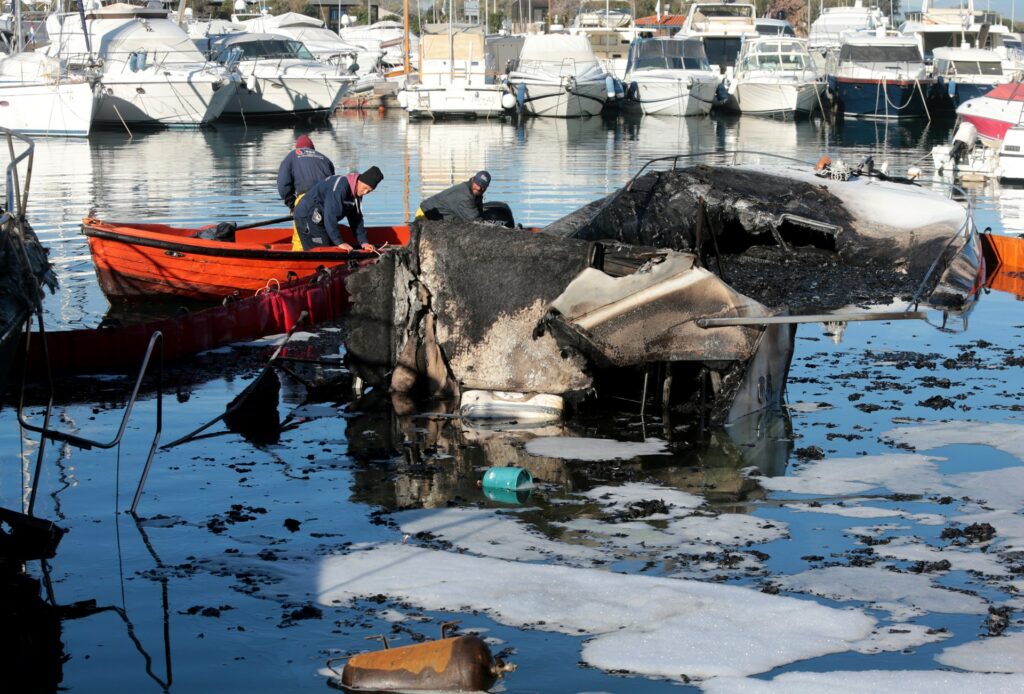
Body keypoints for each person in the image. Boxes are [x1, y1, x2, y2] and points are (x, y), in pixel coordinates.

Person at [293, 166, 383, 252]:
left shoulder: (357, 193)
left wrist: (364, 242)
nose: (366, 192)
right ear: (359, 181)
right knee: (324, 250)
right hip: (307, 215)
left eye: (370, 191)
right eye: (365, 188)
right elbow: (330, 216)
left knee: (332, 246)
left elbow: (356, 219)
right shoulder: (341, 187)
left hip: (322, 219)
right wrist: (340, 242)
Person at [416, 170, 491, 222]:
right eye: (477, 184)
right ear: (472, 179)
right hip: (425, 215)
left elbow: (479, 215)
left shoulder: (477, 194)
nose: (479, 188)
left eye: (483, 186)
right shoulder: (464, 196)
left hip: (444, 217)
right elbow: (475, 221)